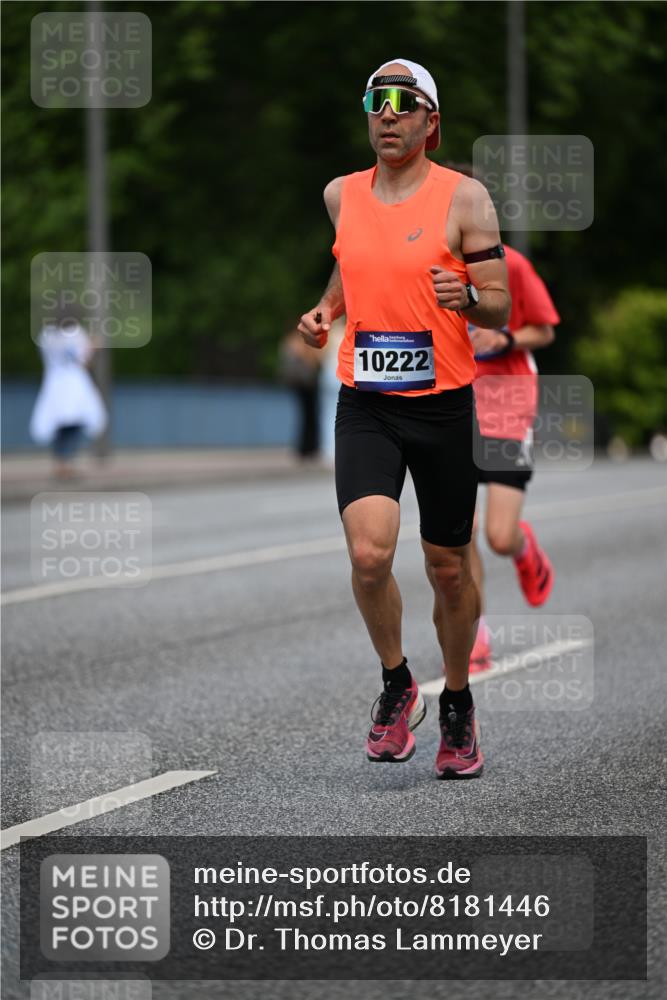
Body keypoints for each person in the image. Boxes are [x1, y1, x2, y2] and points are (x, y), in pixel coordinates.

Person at [298, 59, 510, 778]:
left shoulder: (466, 198)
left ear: (430, 121)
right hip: (367, 402)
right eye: (375, 101)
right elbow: (353, 263)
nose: (386, 114)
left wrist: (468, 297)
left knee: (447, 569)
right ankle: (396, 683)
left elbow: (499, 301)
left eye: (403, 103)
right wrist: (329, 308)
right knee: (368, 555)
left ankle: (455, 703)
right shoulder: (340, 194)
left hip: (445, 405)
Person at [467, 242, 560, 670]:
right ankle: (474, 633)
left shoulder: (513, 264)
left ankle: (524, 550)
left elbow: (544, 329)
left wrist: (504, 338)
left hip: (506, 403)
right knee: (455, 534)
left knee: (498, 538)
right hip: (450, 405)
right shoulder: (426, 265)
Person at [29, 320, 107, 478]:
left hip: (55, 384)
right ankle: (65, 463)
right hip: (74, 386)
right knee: (74, 424)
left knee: (60, 425)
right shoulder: (77, 334)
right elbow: (83, 362)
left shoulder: (47, 335)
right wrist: (92, 347)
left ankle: (61, 462)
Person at [279, 327, 321, 460]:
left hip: (298, 384)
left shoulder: (289, 342)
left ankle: (305, 447)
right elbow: (313, 361)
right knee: (310, 415)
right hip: (307, 384)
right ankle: (309, 447)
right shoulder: (302, 343)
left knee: (305, 415)